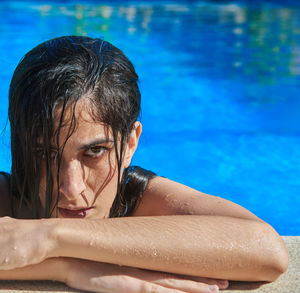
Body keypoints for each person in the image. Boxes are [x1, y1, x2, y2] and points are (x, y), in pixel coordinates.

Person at [0, 36, 288, 293]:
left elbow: (267, 251)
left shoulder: (139, 199)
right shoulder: (5, 197)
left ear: (129, 145)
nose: (71, 188)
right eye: (44, 154)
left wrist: (50, 236)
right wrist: (69, 268)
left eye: (95, 151)